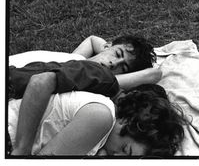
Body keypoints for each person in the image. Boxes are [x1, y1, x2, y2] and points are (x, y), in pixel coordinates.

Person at [8, 34, 161, 156]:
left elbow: (92, 40)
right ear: (106, 46)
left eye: (123, 68)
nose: (113, 63)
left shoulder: (77, 64)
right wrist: (22, 151)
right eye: (117, 53)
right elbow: (154, 74)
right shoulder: (101, 76)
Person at [8, 84, 186, 156]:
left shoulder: (104, 133)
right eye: (125, 149)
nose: (116, 157)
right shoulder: (101, 117)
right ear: (128, 122)